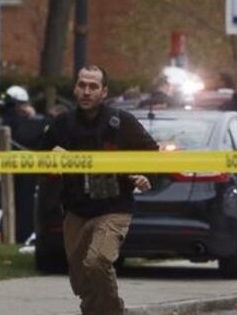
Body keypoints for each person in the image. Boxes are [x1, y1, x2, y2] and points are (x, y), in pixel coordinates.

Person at [39, 65, 158, 315]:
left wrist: (145, 175)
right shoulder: (62, 125)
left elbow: (152, 154)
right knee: (83, 282)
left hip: (113, 208)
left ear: (104, 92)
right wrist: (51, 159)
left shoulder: (121, 122)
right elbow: (40, 165)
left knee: (98, 261)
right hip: (76, 211)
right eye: (82, 85)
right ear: (74, 88)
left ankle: (115, 312)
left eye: (93, 86)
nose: (86, 91)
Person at [1, 85, 47, 243]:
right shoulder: (17, 121)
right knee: (24, 204)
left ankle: (16, 234)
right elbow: (28, 135)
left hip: (17, 167)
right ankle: (22, 235)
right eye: (23, 105)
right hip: (23, 169)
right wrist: (33, 118)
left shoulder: (7, 119)